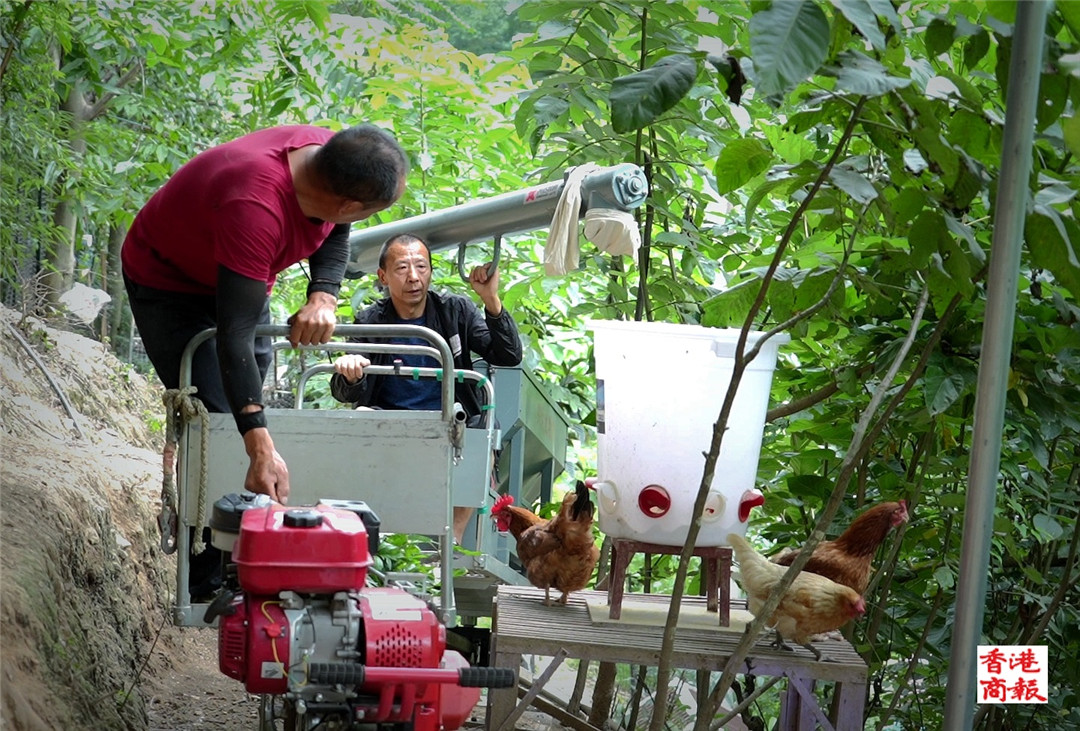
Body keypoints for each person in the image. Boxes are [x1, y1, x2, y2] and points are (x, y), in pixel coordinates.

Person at [122, 124, 407, 598]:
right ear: (349, 201)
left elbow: (337, 225)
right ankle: (205, 583)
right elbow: (231, 339)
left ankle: (246, 555)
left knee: (251, 400)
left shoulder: (332, 156)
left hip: (242, 274)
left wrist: (324, 296)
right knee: (216, 416)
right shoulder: (255, 204)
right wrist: (258, 446)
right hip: (170, 281)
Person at [329, 233, 522, 541]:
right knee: (360, 419)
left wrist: (490, 299)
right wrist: (351, 374)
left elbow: (509, 355)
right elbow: (344, 391)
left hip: (449, 420)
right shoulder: (371, 321)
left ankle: (452, 539)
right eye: (402, 268)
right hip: (390, 419)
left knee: (484, 425)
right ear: (383, 276)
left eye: (421, 266)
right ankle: (375, 532)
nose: (414, 277)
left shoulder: (454, 311)